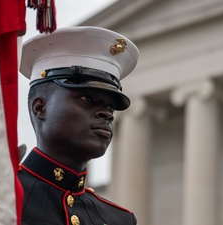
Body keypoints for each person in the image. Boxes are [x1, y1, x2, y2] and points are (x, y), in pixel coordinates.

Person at [18, 26, 139, 225]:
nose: (107, 114)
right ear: (40, 107)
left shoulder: (121, 220)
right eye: (86, 98)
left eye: (110, 106)